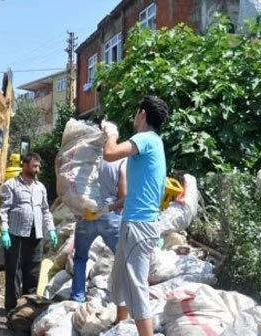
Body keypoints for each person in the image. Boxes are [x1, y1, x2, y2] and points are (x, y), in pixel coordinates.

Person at [101, 96, 169, 336]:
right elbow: (148, 192)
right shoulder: (156, 144)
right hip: (139, 221)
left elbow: (110, 154)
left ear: (142, 114)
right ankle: (121, 326)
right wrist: (108, 208)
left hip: (138, 226)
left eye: (135, 113)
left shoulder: (144, 138)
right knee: (119, 277)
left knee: (136, 286)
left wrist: (111, 132)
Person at [0, 152, 58, 312]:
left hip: (35, 235)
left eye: (38, 166)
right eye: (34, 166)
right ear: (24, 165)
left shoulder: (40, 187)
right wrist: (4, 231)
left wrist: (51, 229)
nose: (37, 169)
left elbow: (45, 210)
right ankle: (11, 308)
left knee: (33, 271)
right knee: (14, 272)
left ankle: (27, 307)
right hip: (15, 234)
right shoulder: (11, 185)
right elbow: (3, 210)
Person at [69, 158, 127, 303]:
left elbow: (74, 187)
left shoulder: (85, 159)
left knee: (80, 258)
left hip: (86, 213)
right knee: (123, 258)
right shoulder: (120, 162)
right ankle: (124, 298)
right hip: (109, 213)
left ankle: (78, 296)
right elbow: (123, 194)